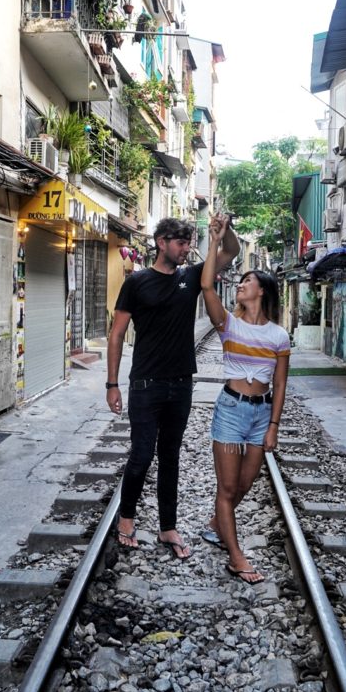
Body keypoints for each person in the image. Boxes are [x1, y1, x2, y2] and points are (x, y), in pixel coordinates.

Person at [106, 215, 240, 558]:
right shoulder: (136, 283)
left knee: (170, 458)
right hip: (145, 384)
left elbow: (231, 251)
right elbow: (117, 334)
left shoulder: (192, 276)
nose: (185, 250)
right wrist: (112, 383)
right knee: (140, 456)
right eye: (180, 243)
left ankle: (168, 527)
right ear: (161, 242)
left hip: (181, 384)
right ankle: (126, 517)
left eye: (188, 244)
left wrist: (223, 232)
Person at [200, 216, 290, 584]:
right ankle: (236, 556)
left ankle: (216, 523)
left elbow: (281, 386)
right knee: (226, 488)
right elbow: (207, 285)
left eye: (247, 281)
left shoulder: (278, 335)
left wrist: (273, 427)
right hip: (231, 410)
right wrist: (215, 240)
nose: (240, 285)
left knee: (244, 486)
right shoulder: (228, 325)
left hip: (260, 414)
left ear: (262, 291)